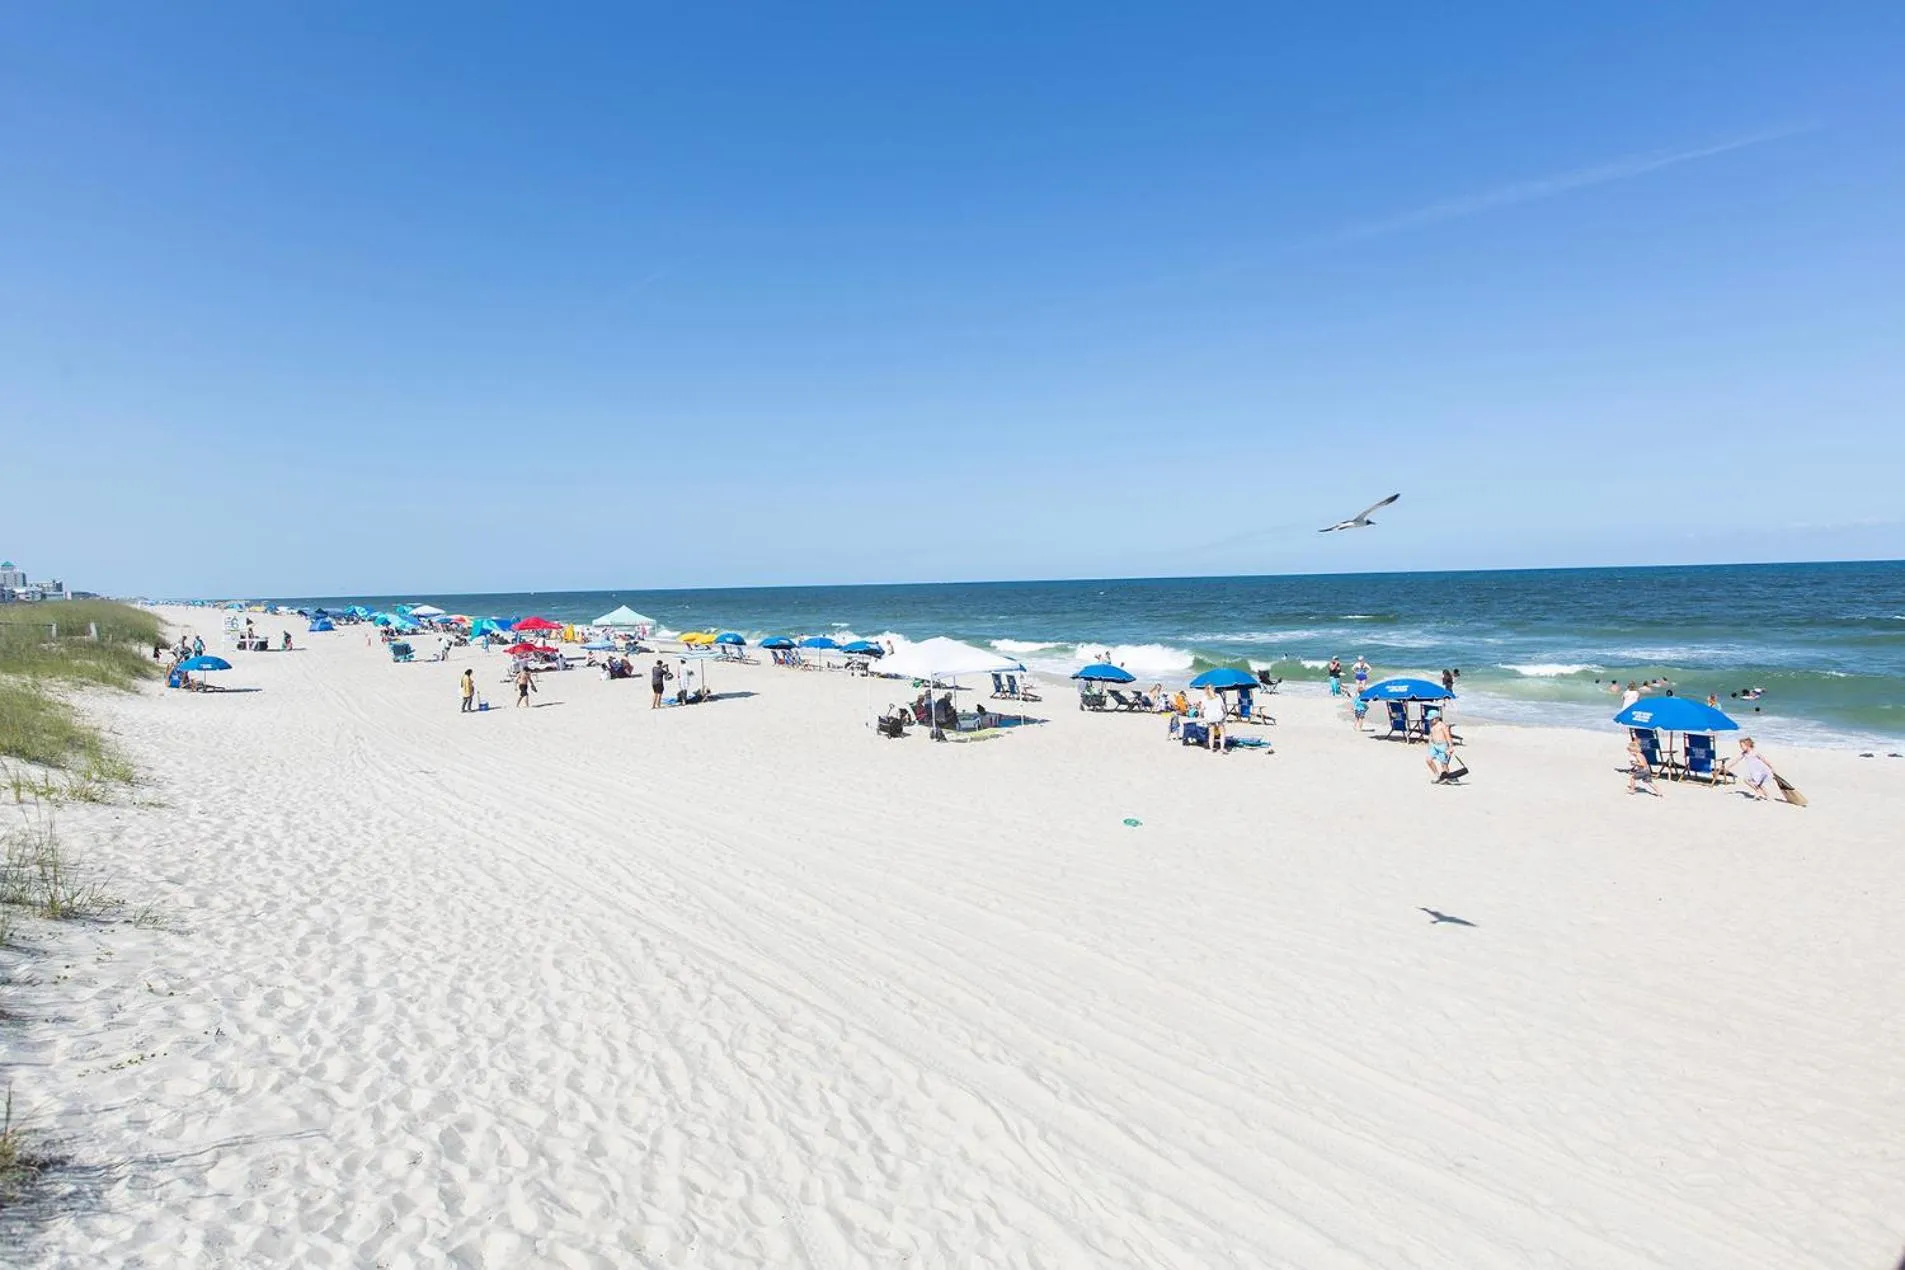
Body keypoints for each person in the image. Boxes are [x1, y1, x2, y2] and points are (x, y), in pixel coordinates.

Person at [1425, 708, 1455, 782]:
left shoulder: (1442, 725)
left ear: (1437, 718)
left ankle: (1448, 776)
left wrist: (1450, 747)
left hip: (1443, 746)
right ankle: (1437, 775)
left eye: (1432, 719)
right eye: (1429, 719)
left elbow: (1448, 736)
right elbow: (1431, 735)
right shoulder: (1431, 725)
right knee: (1428, 760)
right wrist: (1429, 744)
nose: (1430, 721)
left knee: (1444, 763)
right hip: (1434, 745)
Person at [1200, 687, 1226, 754]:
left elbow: (1202, 709)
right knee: (1222, 733)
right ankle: (1222, 748)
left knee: (1211, 734)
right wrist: (1225, 713)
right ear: (1213, 689)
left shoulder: (1204, 698)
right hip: (1219, 717)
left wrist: (1201, 715)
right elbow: (1223, 706)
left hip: (1210, 718)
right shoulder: (1218, 696)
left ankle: (1211, 749)